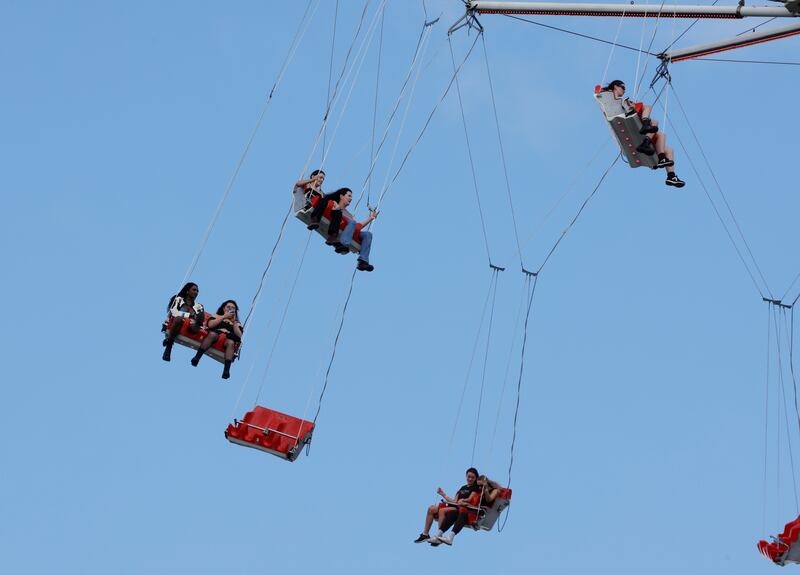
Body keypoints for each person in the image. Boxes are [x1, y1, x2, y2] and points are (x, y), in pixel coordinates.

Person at [603, 80, 685, 188]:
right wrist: (630, 106)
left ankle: (671, 175)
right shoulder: (613, 100)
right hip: (630, 123)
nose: (624, 90)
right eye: (622, 87)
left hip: (634, 124)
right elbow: (615, 108)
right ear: (615, 87)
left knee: (668, 147)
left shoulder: (620, 101)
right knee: (652, 119)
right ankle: (649, 143)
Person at [413, 467, 481, 546]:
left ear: (476, 478)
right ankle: (425, 534)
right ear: (466, 476)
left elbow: (470, 499)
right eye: (468, 476)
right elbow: (454, 501)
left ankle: (438, 536)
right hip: (456, 505)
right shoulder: (463, 487)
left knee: (442, 510)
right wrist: (443, 494)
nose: (470, 479)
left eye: (472, 477)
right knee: (431, 508)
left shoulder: (476, 488)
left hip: (461, 508)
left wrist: (463, 501)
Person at [190, 300, 243, 379]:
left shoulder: (237, 323)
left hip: (228, 339)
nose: (230, 309)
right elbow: (210, 325)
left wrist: (234, 323)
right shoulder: (217, 316)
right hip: (216, 335)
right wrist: (224, 317)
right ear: (223, 308)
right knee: (212, 334)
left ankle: (226, 370)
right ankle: (197, 357)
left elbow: (239, 335)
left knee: (231, 343)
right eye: (228, 307)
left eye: (233, 308)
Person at [331, 188, 379, 272]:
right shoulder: (334, 203)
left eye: (351, 197)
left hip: (349, 232)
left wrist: (370, 218)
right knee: (352, 222)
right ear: (341, 196)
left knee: (368, 234)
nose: (351, 198)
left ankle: (363, 261)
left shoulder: (349, 215)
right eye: (349, 196)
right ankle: (343, 245)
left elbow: (357, 227)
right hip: (337, 227)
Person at [162, 282, 205, 362]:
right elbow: (174, 312)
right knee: (178, 319)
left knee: (197, 321)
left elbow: (198, 320)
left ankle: (169, 342)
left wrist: (197, 318)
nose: (196, 292)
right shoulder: (178, 299)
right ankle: (169, 346)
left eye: (197, 291)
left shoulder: (198, 306)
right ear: (187, 291)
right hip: (178, 322)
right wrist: (190, 315)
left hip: (192, 326)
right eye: (194, 290)